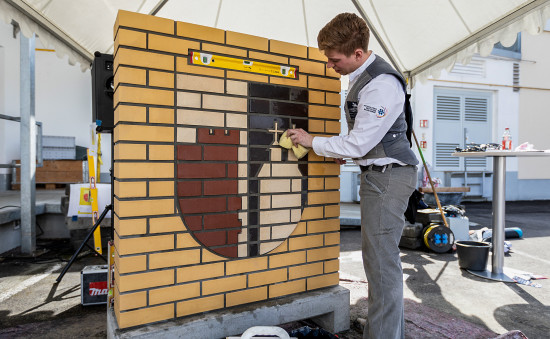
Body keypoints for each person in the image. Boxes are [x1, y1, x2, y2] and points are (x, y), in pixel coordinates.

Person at [287, 12, 418, 339]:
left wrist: (311, 141)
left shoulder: (380, 84)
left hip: (389, 179)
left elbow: (360, 141)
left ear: (357, 53)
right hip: (381, 173)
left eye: (335, 60)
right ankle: (384, 329)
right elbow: (365, 139)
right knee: (378, 262)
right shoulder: (366, 77)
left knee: (382, 266)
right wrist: (343, 153)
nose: (331, 65)